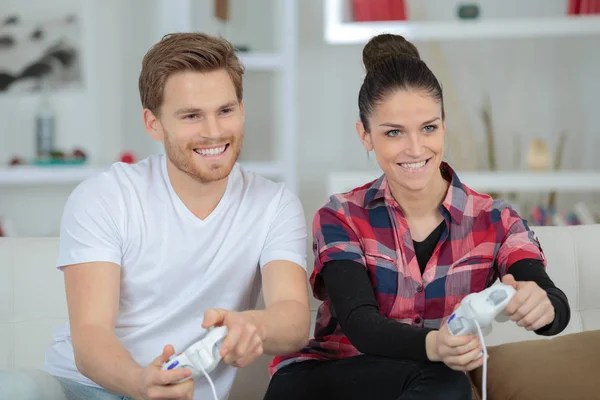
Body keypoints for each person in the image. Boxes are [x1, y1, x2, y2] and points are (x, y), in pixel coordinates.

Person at [0, 33, 310, 400]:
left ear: (241, 109)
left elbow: (293, 319)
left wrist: (253, 324)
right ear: (153, 124)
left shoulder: (274, 204)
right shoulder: (105, 196)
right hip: (80, 389)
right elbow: (90, 335)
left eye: (225, 110)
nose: (213, 131)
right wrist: (140, 384)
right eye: (191, 115)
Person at [264, 33, 570, 400]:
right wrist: (436, 345)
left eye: (428, 128)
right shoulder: (340, 215)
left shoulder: (496, 220)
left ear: (443, 124)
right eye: (394, 132)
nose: (415, 149)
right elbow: (360, 324)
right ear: (365, 135)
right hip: (324, 379)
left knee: (443, 381)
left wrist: (543, 307)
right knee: (442, 379)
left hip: (425, 382)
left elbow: (551, 298)